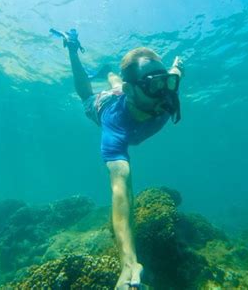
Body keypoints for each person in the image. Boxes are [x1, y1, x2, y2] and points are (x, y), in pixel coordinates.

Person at [55, 29, 184, 289]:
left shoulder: (166, 87)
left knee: (119, 85)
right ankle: (73, 51)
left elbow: (174, 73)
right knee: (87, 95)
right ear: (135, 88)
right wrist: (129, 261)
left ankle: (110, 73)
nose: (164, 92)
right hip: (103, 104)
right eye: (154, 84)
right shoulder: (115, 127)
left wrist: (177, 68)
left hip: (125, 90)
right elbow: (121, 192)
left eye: (166, 81)